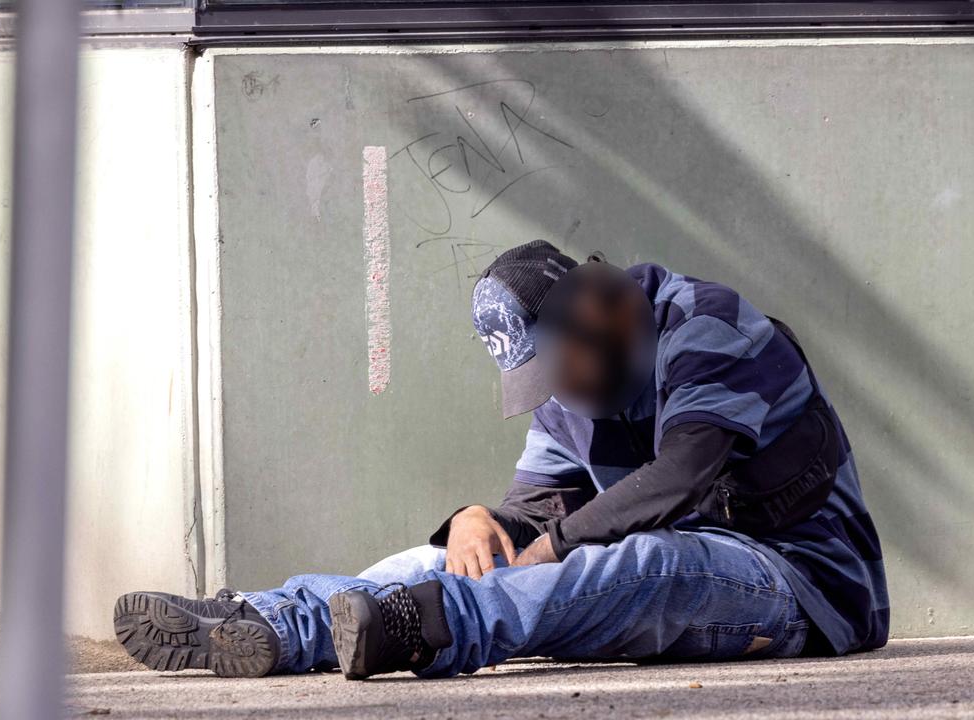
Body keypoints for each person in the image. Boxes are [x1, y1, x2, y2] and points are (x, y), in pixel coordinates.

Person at [113, 241, 889, 680]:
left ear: (597, 309)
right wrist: (477, 520)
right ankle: (278, 621)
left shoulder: (706, 326)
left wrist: (550, 543)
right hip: (672, 569)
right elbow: (537, 511)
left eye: (561, 369)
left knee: (654, 559)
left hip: (800, 587)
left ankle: (429, 631)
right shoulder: (568, 395)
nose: (560, 395)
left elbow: (681, 474)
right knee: (463, 557)